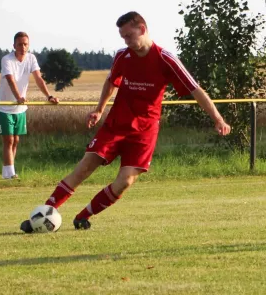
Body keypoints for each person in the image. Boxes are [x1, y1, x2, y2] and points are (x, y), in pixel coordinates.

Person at [20, 12, 231, 233]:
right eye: (123, 37)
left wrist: (217, 118)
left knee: (125, 181)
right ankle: (42, 216)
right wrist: (99, 110)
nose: (126, 42)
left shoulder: (166, 59)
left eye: (129, 36)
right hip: (117, 124)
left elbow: (195, 90)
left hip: (144, 132)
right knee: (84, 167)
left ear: (142, 28)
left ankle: (83, 216)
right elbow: (111, 81)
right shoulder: (123, 55)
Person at [0, 32, 59, 179]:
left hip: (20, 107)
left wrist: (49, 96)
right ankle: (11, 174)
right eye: (20, 44)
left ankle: (7, 173)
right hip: (5, 106)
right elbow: (11, 80)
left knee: (16, 140)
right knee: (8, 139)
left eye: (25, 44)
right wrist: (19, 97)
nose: (23, 47)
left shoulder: (31, 58)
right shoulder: (7, 60)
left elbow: (38, 78)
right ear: (14, 46)